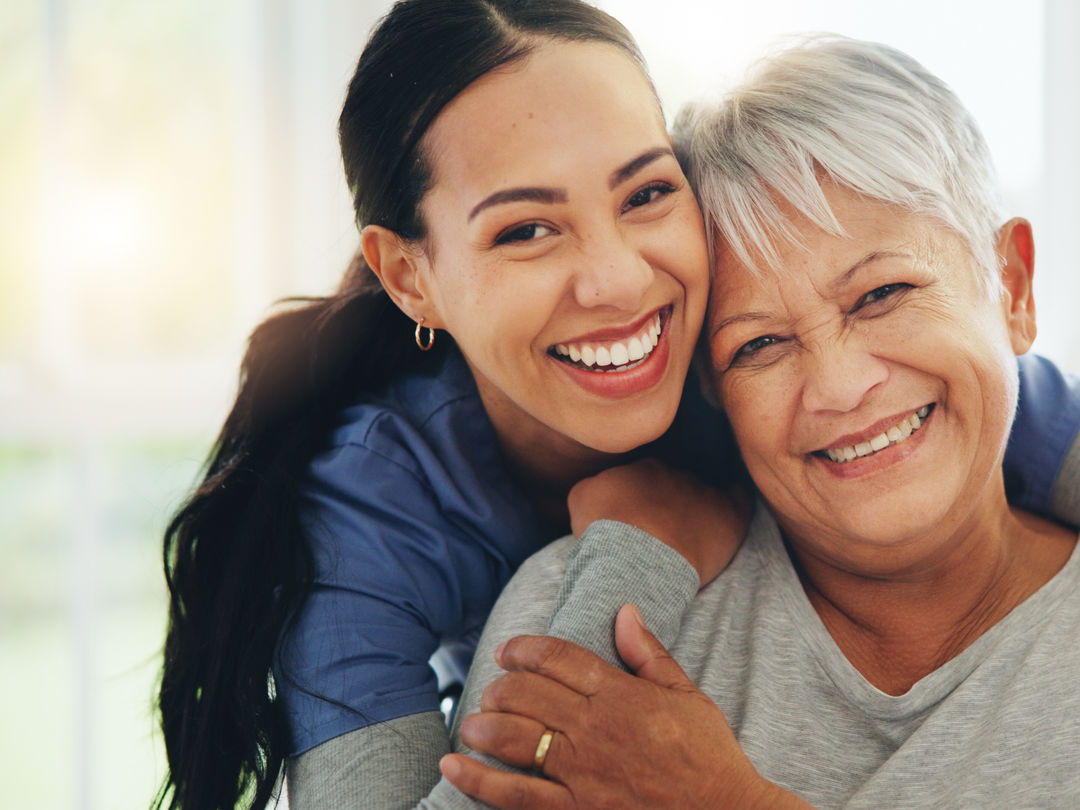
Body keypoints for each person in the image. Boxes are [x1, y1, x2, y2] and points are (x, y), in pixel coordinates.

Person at [155, 4, 1079, 806]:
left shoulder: (819, 360)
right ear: (409, 277)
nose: (619, 282)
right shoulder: (371, 517)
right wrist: (637, 561)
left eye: (645, 192)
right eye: (525, 229)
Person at [435, 35, 1080, 809]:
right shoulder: (580, 609)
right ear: (711, 387)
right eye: (760, 345)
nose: (839, 387)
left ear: (1012, 287)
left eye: (882, 295)